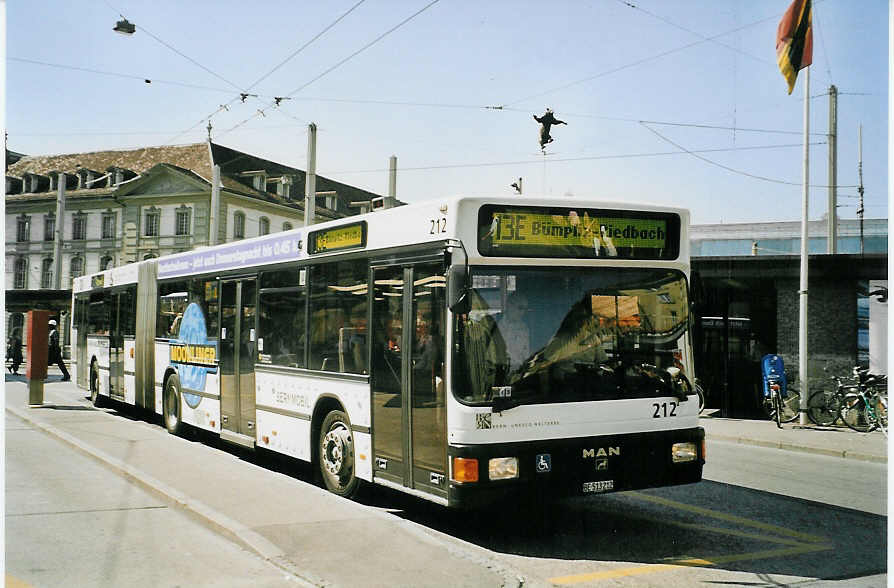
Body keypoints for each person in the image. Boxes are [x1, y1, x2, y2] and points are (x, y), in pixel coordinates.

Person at [498, 292, 531, 373]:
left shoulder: (524, 329)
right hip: (497, 372)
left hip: (516, 374)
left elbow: (526, 356)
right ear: (509, 305)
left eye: (525, 309)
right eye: (520, 308)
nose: (523, 312)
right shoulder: (494, 324)